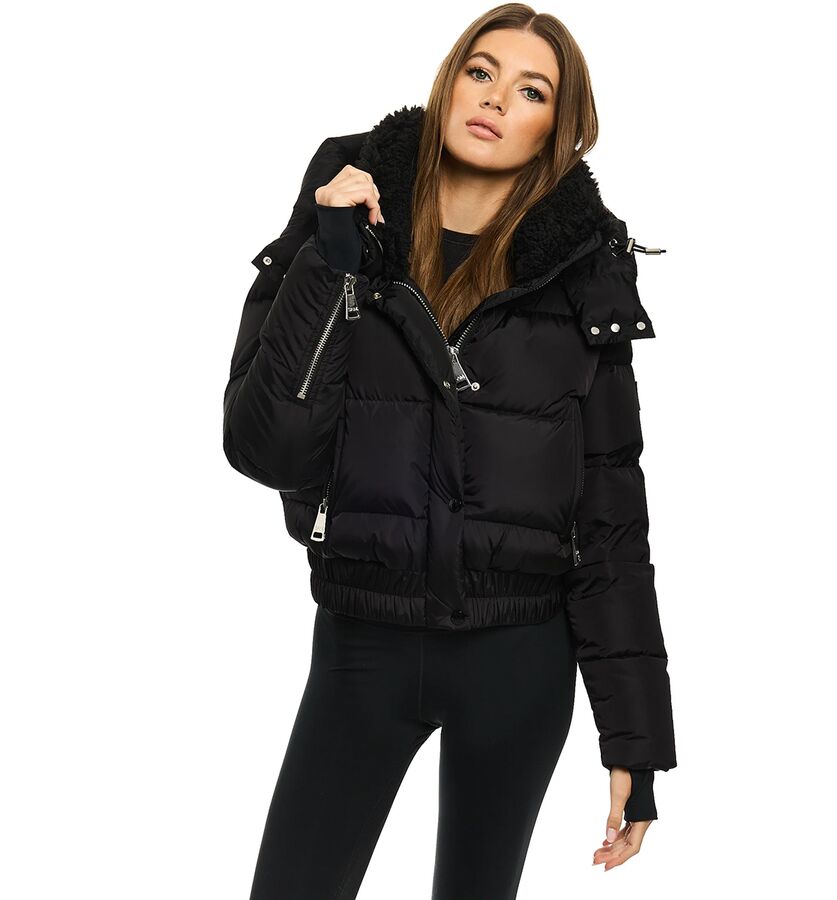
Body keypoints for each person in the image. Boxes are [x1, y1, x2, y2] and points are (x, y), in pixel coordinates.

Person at [223, 5, 677, 897]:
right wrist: (334, 257)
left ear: (561, 128)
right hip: (361, 646)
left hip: (520, 662)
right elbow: (267, 446)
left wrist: (636, 741)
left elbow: (611, 518)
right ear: (449, 83)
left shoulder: (584, 276)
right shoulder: (344, 225)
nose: (497, 99)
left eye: (531, 91)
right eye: (481, 71)